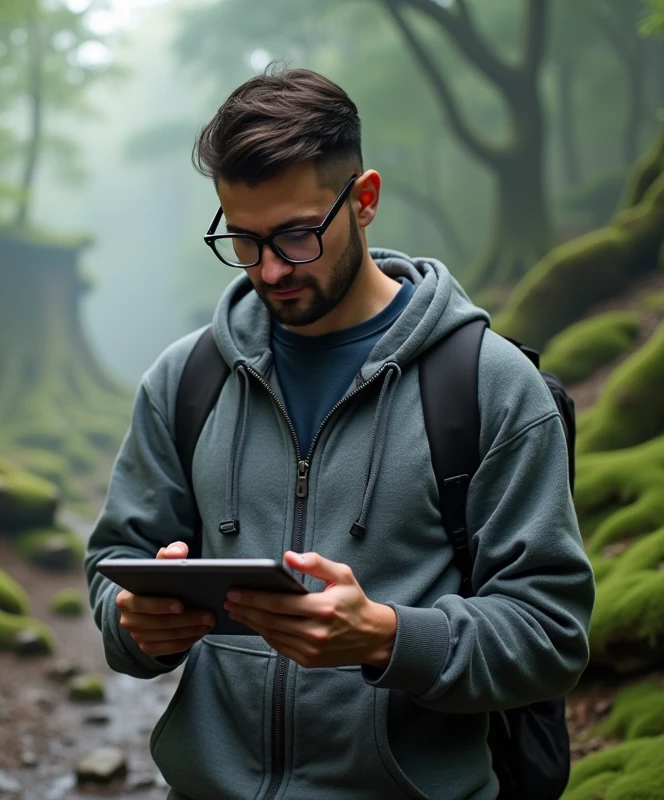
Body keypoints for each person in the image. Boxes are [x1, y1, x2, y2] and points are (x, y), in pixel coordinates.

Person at [83, 66, 595, 800]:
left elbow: (551, 635)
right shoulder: (184, 380)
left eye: (296, 235)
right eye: (243, 238)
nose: (268, 269)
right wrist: (135, 624)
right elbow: (113, 564)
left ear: (365, 200)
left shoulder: (487, 385)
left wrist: (389, 637)